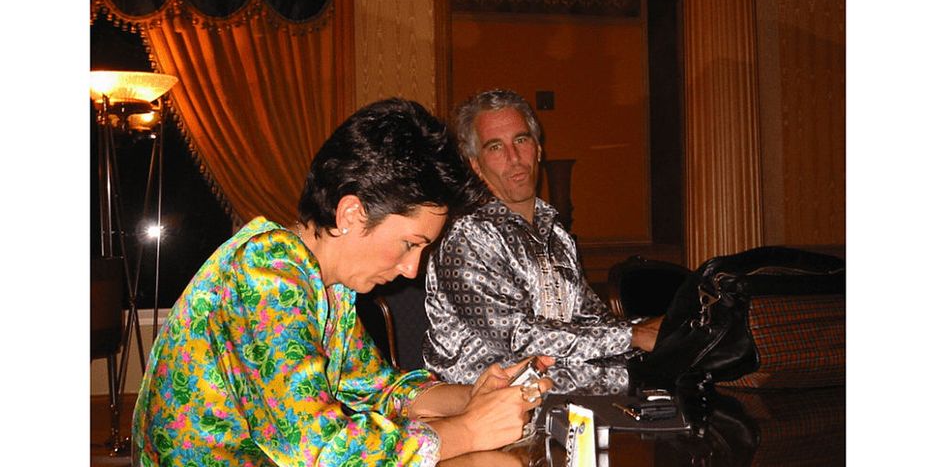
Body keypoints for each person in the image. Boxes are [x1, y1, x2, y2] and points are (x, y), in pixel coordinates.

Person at [132, 98, 554, 466]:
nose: (412, 269)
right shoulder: (265, 271)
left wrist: (472, 396)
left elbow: (379, 388)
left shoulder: (329, 287)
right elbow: (321, 449)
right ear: (351, 214)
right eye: (410, 244)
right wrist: (469, 430)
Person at [422, 89, 662, 392]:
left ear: (538, 149)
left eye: (521, 140)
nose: (514, 158)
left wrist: (657, 327)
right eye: (495, 147)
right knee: (657, 381)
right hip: (486, 400)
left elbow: (590, 320)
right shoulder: (467, 236)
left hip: (557, 391)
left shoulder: (555, 233)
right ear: (476, 165)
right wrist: (633, 337)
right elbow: (518, 337)